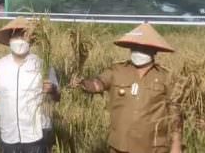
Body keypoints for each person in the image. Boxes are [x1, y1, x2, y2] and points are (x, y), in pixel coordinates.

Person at [69, 23, 183, 153]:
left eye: (143, 47)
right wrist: (82, 83)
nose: (138, 50)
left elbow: (176, 115)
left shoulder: (166, 77)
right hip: (121, 146)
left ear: (154, 50)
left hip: (153, 147)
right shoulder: (117, 71)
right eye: (134, 46)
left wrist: (176, 145)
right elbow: (97, 84)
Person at [0, 17, 60, 153]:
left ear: (32, 39)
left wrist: (52, 90)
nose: (20, 40)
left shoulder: (43, 66)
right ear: (9, 40)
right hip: (9, 134)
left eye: (24, 35)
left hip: (37, 134)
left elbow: (57, 97)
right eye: (16, 36)